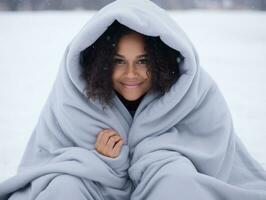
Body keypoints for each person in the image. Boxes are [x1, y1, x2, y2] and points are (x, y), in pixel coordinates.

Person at [0, 0, 266, 199]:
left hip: (171, 182)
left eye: (143, 61)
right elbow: (50, 160)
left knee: (178, 180)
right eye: (118, 61)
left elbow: (213, 155)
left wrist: (158, 153)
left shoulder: (195, 93)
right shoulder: (72, 100)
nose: (131, 74)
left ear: (160, 61)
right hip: (88, 186)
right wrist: (100, 160)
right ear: (101, 63)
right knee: (64, 186)